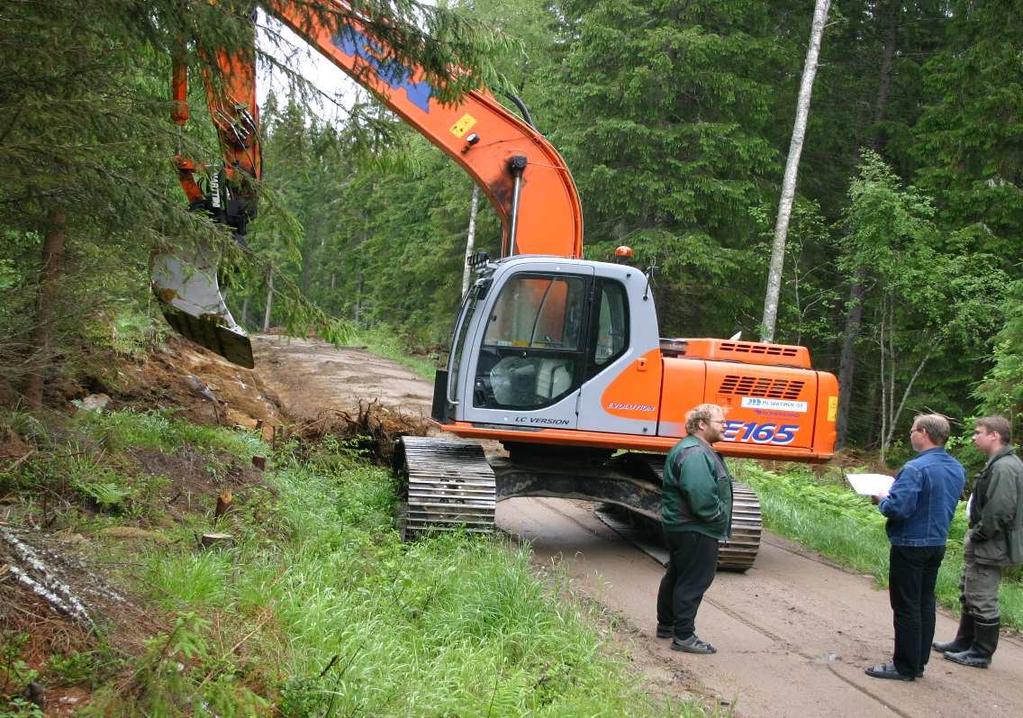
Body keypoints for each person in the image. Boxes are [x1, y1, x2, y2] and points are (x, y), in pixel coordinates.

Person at [865, 414, 966, 681]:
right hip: (937, 541)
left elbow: (898, 508)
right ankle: (918, 661)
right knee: (924, 602)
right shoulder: (956, 467)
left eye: (912, 430)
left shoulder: (915, 469)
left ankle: (905, 666)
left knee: (906, 605)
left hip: (910, 543)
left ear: (923, 433)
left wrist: (882, 499)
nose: (910, 435)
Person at [936, 415, 1023, 669]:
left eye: (978, 432)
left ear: (994, 435)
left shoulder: (1005, 467)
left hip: (992, 543)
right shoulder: (999, 463)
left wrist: (979, 534)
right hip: (987, 540)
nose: (974, 437)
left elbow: (1000, 510)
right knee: (970, 590)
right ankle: (964, 642)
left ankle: (981, 652)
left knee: (982, 594)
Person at [656, 403, 733, 654]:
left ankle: (666, 626)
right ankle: (684, 636)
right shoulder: (696, 454)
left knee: (678, 574)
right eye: (720, 422)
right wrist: (716, 517)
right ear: (702, 424)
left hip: (682, 525)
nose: (725, 426)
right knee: (695, 580)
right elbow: (701, 496)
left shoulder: (693, 449)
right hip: (696, 527)